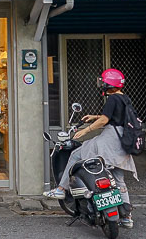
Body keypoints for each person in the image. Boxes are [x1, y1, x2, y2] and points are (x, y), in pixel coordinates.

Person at [42, 68, 137, 229]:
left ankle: (61, 188)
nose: (102, 85)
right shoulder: (125, 99)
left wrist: (85, 130)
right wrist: (94, 116)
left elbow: (105, 120)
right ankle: (127, 217)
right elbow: (115, 117)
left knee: (75, 154)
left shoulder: (112, 98)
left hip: (110, 141)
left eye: (104, 82)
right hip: (123, 142)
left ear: (109, 84)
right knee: (119, 178)